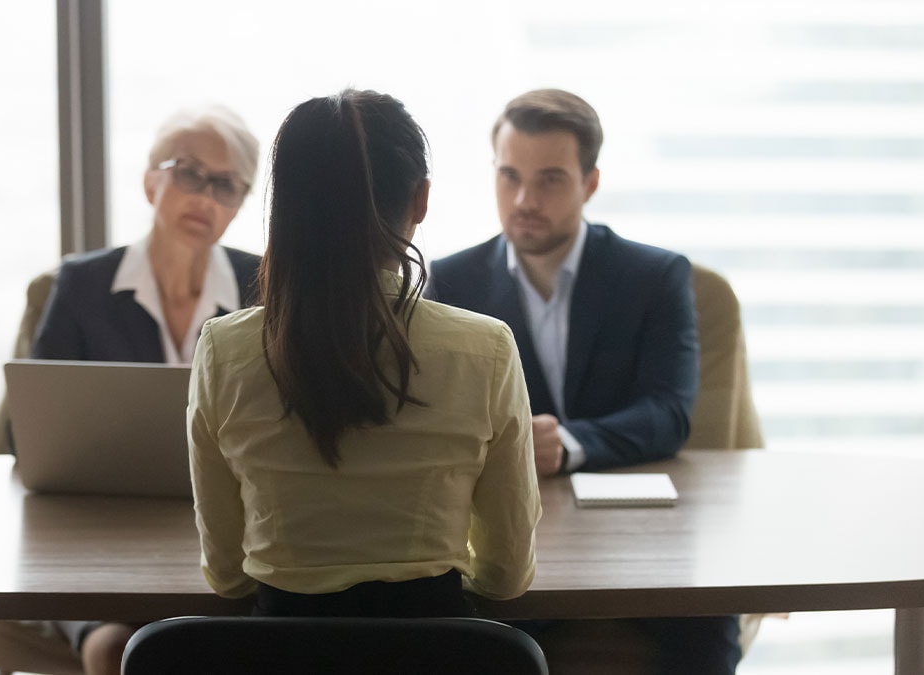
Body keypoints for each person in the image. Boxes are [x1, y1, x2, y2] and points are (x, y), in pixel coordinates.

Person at [187, 89, 541, 618]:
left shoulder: (224, 351)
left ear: (286, 207)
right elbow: (506, 577)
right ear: (420, 199)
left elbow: (230, 577)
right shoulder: (485, 350)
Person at [425, 89, 740, 674]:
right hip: (507, 533)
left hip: (638, 535)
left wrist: (570, 443)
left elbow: (669, 413)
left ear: (590, 182)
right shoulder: (450, 280)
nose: (524, 200)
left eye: (549, 180)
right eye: (509, 176)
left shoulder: (655, 276)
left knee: (707, 620)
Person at [0, 103, 262, 675]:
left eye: (226, 185)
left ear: (241, 202)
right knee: (110, 646)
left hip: (229, 531)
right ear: (151, 179)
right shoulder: (80, 286)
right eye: (188, 172)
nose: (205, 196)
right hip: (95, 530)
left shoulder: (262, 288)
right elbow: (36, 437)